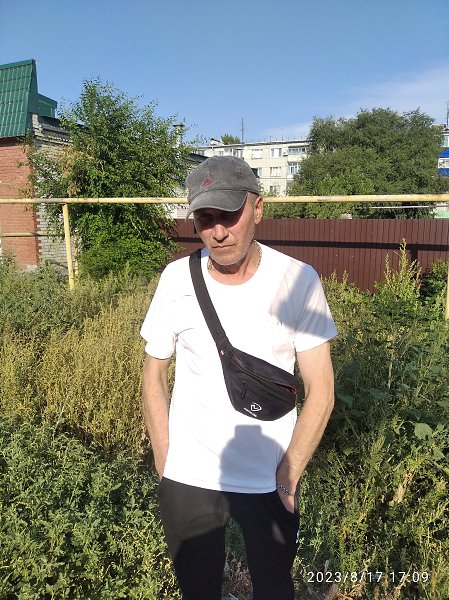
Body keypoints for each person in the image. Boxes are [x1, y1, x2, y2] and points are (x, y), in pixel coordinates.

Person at [140, 155, 337, 600]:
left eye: (228, 215)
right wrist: (166, 460)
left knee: (273, 588)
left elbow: (321, 390)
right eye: (204, 219)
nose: (218, 231)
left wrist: (288, 475)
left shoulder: (298, 281)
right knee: (197, 589)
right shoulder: (176, 279)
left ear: (258, 208)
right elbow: (153, 372)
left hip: (268, 479)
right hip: (189, 477)